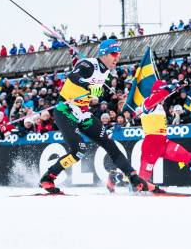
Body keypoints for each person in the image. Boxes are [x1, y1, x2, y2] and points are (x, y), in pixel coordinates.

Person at [39, 39, 155, 194]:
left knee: (109, 144)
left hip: (83, 113)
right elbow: (74, 77)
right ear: (104, 54)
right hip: (65, 110)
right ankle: (48, 177)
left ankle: (133, 176)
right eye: (114, 54)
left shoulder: (106, 73)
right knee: (79, 149)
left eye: (118, 54)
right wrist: (88, 87)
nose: (117, 58)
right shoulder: (88, 64)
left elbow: (96, 93)